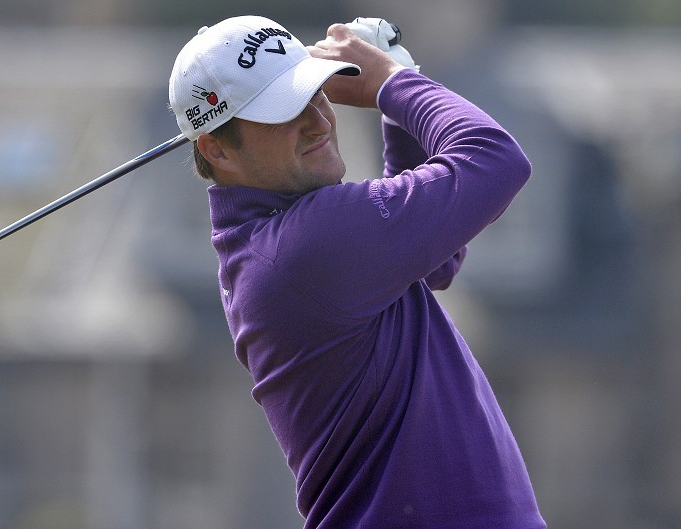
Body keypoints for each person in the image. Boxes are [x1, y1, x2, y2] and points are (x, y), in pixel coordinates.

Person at [168, 14, 545, 529]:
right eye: (284, 113)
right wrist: (393, 82)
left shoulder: (279, 246)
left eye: (316, 94)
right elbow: (495, 159)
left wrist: (396, 109)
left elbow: (436, 261)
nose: (319, 122)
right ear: (215, 147)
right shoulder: (309, 244)